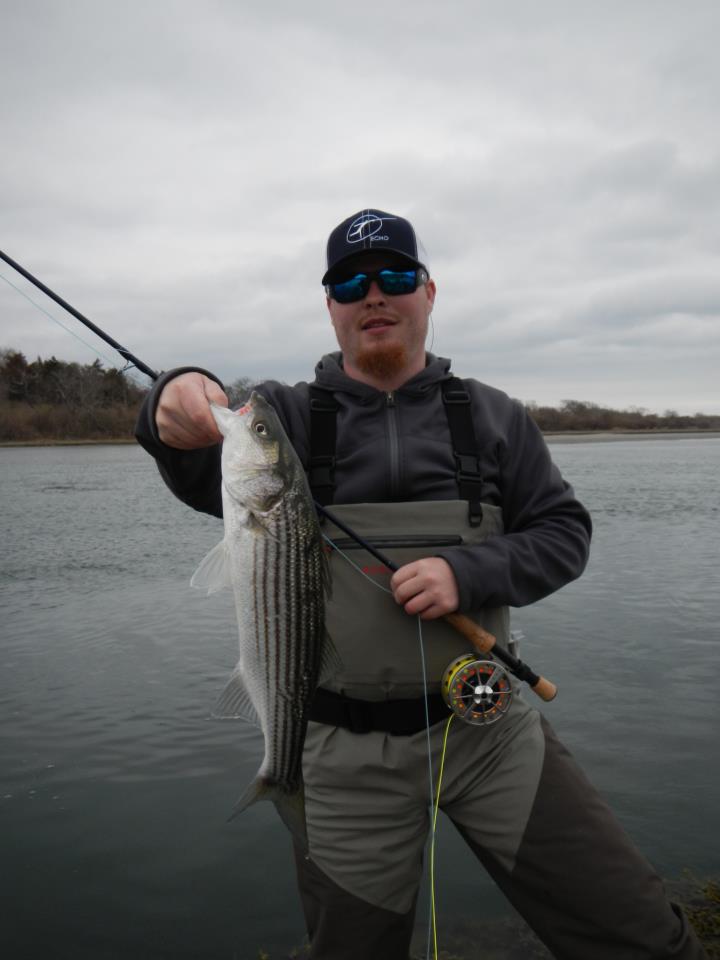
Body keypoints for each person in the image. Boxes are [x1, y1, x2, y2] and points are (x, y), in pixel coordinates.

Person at [135, 209, 706, 960]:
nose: (373, 294)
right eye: (349, 283)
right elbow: (180, 439)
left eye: (395, 277)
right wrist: (172, 396)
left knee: (639, 935)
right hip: (335, 752)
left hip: (489, 728)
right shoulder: (285, 419)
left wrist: (468, 572)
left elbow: (565, 535)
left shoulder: (496, 418)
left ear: (428, 293)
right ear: (331, 307)